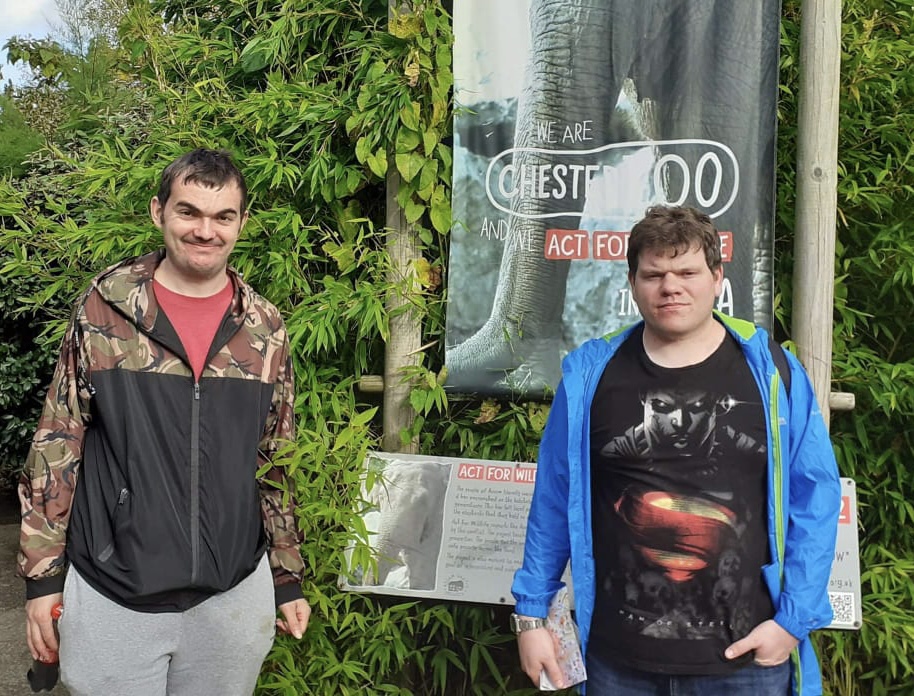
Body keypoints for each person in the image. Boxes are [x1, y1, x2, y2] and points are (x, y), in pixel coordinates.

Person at [511, 205, 841, 695]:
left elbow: (815, 495)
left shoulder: (772, 372)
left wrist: (793, 622)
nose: (671, 287)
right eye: (654, 275)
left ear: (716, 278)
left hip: (746, 659)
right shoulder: (592, 375)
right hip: (619, 663)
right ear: (633, 282)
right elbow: (554, 499)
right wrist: (532, 615)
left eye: (687, 272)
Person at [17, 148, 310, 696]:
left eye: (223, 216)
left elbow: (276, 456)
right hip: (116, 589)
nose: (205, 231)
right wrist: (42, 578)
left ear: (242, 222)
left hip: (231, 591)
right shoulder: (106, 309)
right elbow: (59, 438)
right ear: (159, 212)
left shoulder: (264, 327)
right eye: (188, 212)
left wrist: (286, 575)